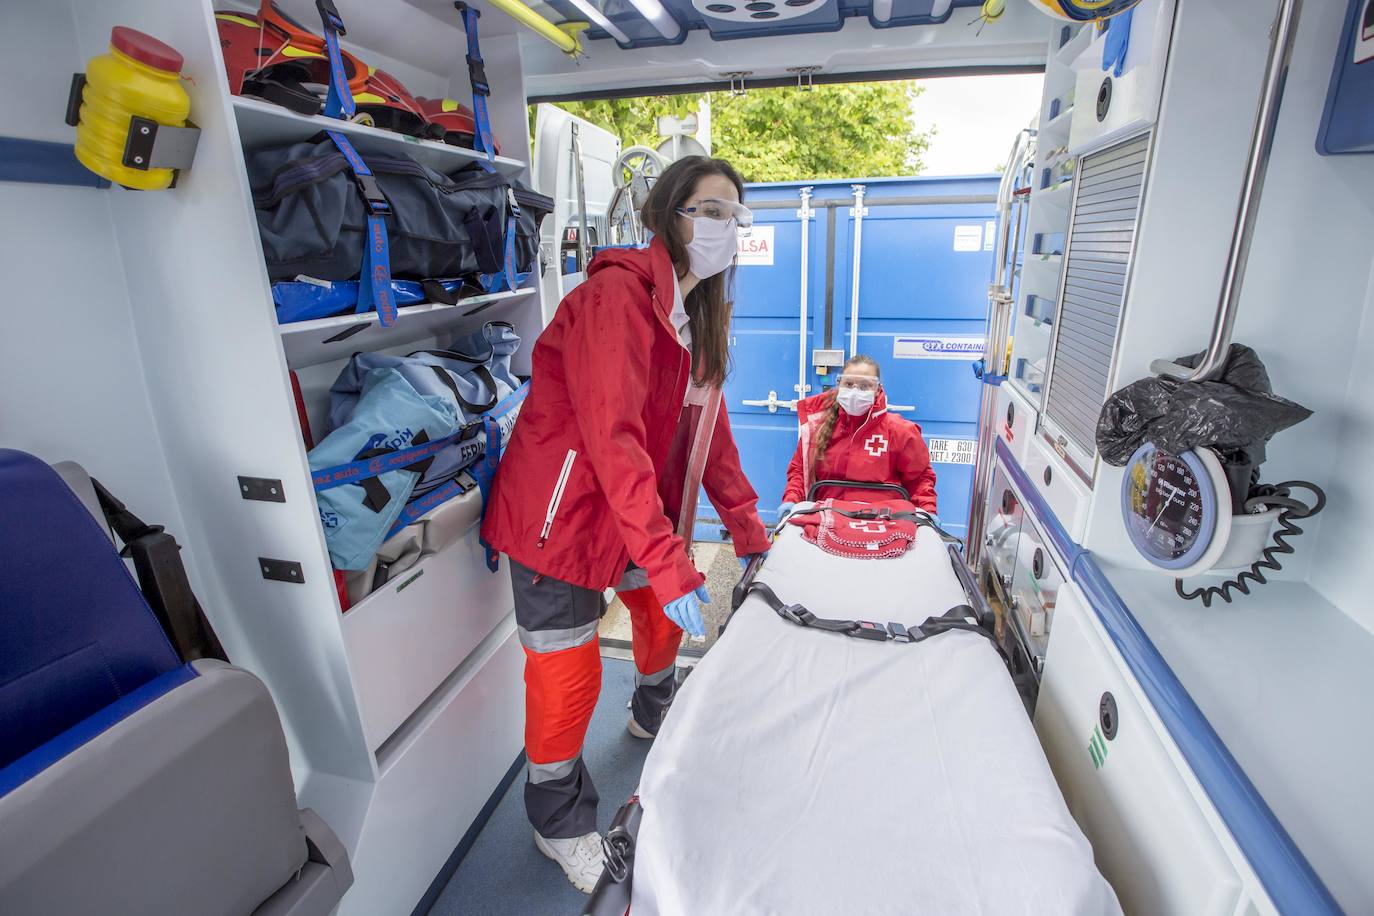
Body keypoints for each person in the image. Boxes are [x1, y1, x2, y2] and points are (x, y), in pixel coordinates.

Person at [480, 156, 771, 893]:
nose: (724, 228)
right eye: (708, 211)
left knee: (661, 616)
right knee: (568, 674)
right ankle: (558, 822)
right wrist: (669, 559)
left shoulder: (697, 312)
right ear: (667, 216)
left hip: (632, 510)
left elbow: (713, 435)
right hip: (564, 516)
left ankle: (651, 709)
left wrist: (749, 533)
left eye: (734, 215)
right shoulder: (617, 299)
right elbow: (613, 440)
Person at [778, 354, 939, 519]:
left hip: (884, 520)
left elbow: (920, 479)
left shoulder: (901, 432)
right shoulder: (817, 427)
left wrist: (927, 511)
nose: (855, 391)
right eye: (848, 384)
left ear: (878, 389)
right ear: (838, 384)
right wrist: (791, 499)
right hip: (826, 518)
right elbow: (800, 470)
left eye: (865, 386)